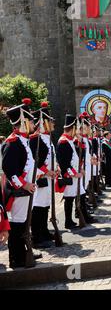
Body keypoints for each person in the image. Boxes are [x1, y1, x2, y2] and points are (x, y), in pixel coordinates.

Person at [1, 99, 40, 268]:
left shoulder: (24, 140)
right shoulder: (13, 142)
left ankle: (23, 253)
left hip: (27, 190)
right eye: (30, 120)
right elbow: (9, 170)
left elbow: (28, 165)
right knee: (17, 225)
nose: (33, 124)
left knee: (24, 223)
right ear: (23, 122)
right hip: (19, 192)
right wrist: (24, 185)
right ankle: (15, 258)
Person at [56, 114, 96, 229]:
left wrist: (80, 169)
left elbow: (77, 157)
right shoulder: (63, 142)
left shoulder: (70, 141)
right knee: (69, 199)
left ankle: (83, 216)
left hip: (75, 174)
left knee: (81, 195)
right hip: (70, 176)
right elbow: (64, 163)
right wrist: (74, 173)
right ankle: (68, 221)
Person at [29, 102, 58, 248]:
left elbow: (51, 157)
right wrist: (46, 171)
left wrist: (56, 168)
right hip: (41, 178)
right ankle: (36, 236)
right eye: (50, 121)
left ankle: (44, 231)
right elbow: (34, 161)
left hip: (49, 178)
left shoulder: (47, 138)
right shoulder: (35, 138)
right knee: (38, 207)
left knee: (46, 205)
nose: (53, 123)